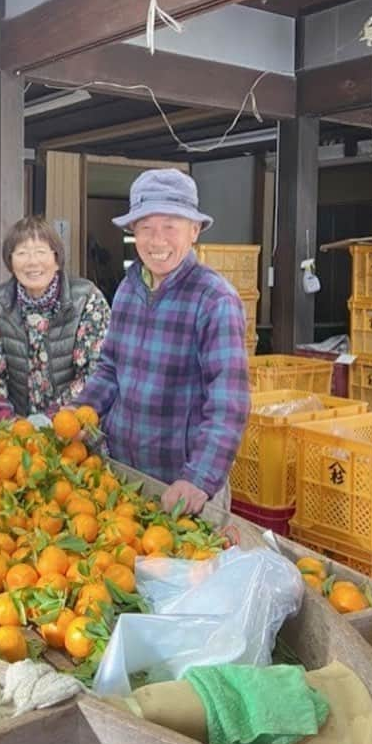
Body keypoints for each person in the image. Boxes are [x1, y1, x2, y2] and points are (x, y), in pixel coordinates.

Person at [76, 169, 250, 516]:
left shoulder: (214, 299)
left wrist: (199, 478)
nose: (157, 241)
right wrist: (82, 412)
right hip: (126, 474)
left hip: (184, 485)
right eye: (145, 228)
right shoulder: (128, 289)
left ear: (194, 230)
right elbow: (110, 368)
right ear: (133, 233)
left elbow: (228, 401)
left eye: (170, 226)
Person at [0, 216, 110, 423]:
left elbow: (97, 370)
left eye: (41, 252)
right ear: (10, 261)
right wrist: (4, 418)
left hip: (75, 427)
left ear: (56, 258)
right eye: (22, 253)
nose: (32, 262)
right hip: (17, 431)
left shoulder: (87, 299)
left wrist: (52, 419)